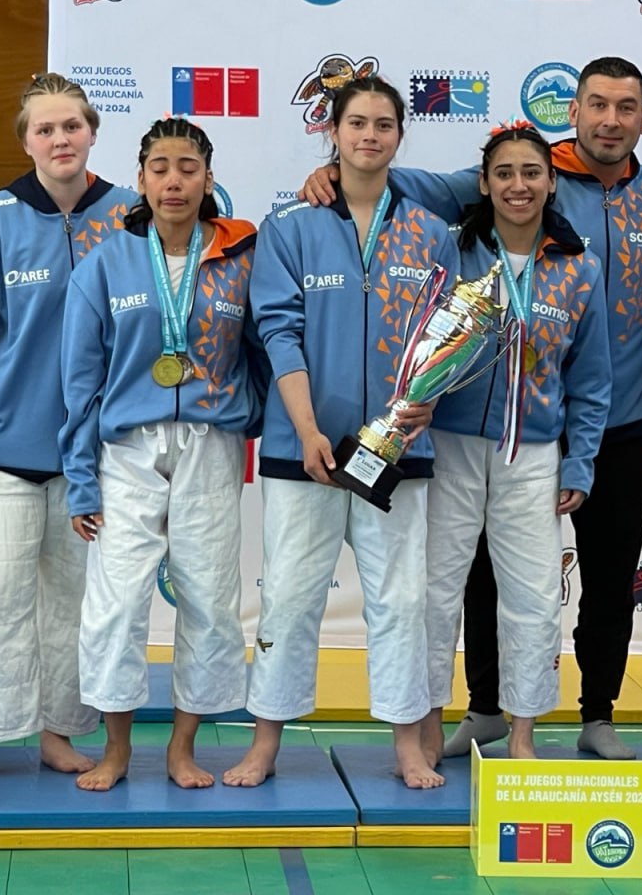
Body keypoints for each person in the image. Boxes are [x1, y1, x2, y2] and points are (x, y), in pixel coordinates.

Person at [302, 56, 642, 760]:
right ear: (572, 114)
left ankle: (597, 715)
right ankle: (485, 709)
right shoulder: (526, 171)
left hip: (618, 420)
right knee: (484, 576)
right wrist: (332, 173)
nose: (610, 120)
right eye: (597, 105)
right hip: (511, 427)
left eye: (626, 108)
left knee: (609, 578)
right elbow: (400, 182)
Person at [224, 77, 459, 790]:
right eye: (357, 122)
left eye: (384, 124)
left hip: (397, 451)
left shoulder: (432, 233)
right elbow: (278, 333)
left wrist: (428, 401)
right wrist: (306, 430)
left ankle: (407, 745)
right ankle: (265, 741)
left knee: (402, 600)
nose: (370, 136)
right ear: (332, 131)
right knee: (289, 597)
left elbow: (445, 339)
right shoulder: (291, 228)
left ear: (400, 136)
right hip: (304, 451)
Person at [0, 73, 135, 787]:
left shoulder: (132, 216)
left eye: (71, 126)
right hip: (6, 454)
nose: (60, 139)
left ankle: (58, 732)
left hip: (99, 459)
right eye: (45, 129)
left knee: (75, 605)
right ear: (26, 142)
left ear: (92, 132)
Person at [60, 116, 269, 791]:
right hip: (127, 448)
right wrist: (81, 479)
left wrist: (246, 415)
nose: (173, 181)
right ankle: (117, 748)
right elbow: (80, 380)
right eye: (160, 168)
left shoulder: (239, 259)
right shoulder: (107, 262)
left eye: (187, 167)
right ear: (141, 179)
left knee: (207, 599)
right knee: (117, 602)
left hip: (211, 444)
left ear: (208, 179)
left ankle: (183, 748)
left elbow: (266, 353)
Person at [423, 122, 611, 760]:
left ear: (552, 182)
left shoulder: (579, 268)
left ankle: (523, 734)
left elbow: (592, 380)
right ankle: (425, 726)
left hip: (531, 453)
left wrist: (580, 462)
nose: (518, 185)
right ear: (483, 183)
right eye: (503, 173)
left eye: (531, 173)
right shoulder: (451, 253)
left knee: (533, 594)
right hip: (449, 444)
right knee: (435, 590)